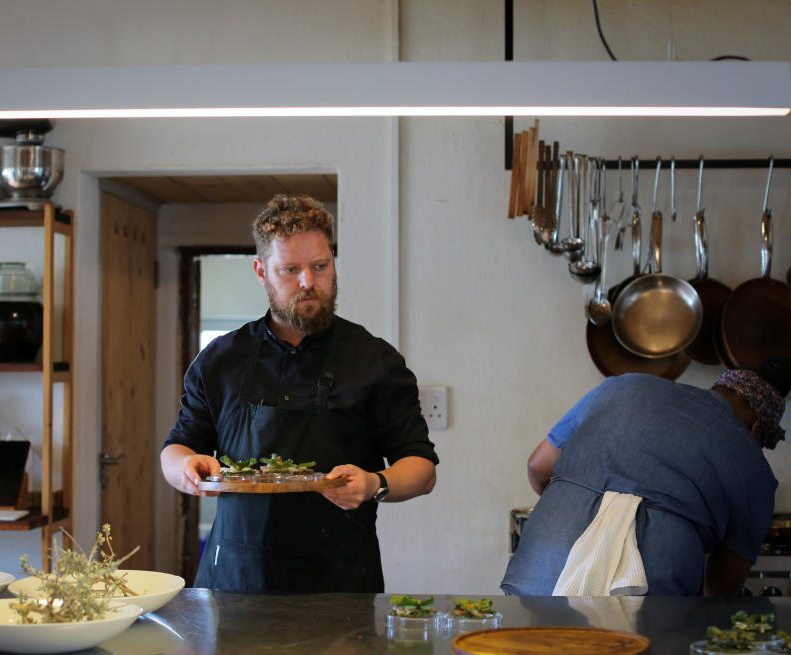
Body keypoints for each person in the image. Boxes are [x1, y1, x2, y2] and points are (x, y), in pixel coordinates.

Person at [160, 194, 438, 593]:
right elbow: (176, 448)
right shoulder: (220, 360)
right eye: (291, 270)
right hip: (235, 584)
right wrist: (184, 468)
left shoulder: (375, 360)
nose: (309, 282)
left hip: (340, 588)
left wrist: (376, 482)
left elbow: (422, 469)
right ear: (261, 271)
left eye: (320, 266)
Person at [501, 360, 791, 597]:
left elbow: (538, 466)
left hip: (539, 569)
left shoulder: (622, 386)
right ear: (756, 430)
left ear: (720, 387)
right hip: (649, 597)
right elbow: (720, 588)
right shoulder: (754, 468)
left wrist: (573, 507)